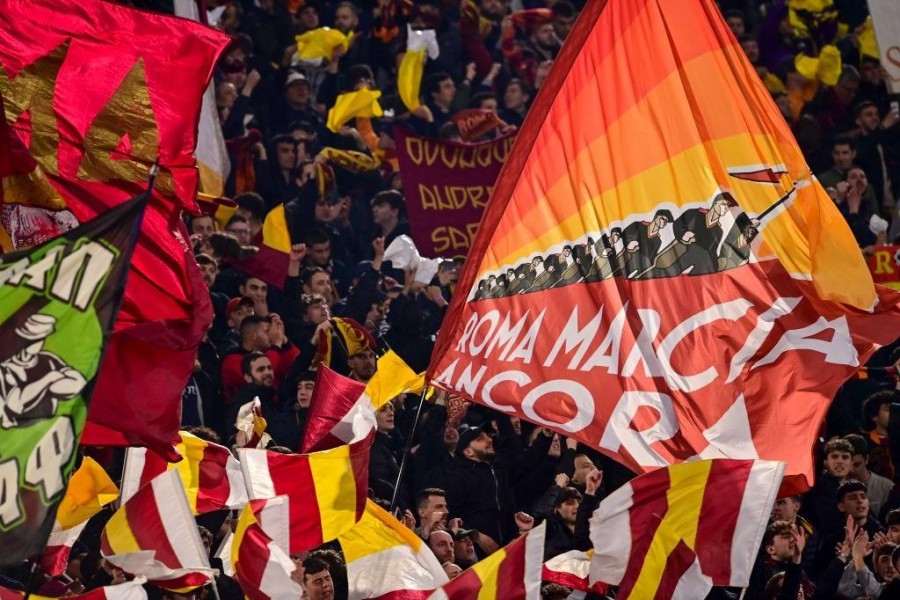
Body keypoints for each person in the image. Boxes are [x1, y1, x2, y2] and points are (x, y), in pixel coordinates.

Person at [845, 433, 894, 518]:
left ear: (866, 459)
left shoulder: (887, 487)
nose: (851, 470)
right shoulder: (836, 487)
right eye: (848, 465)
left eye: (857, 465)